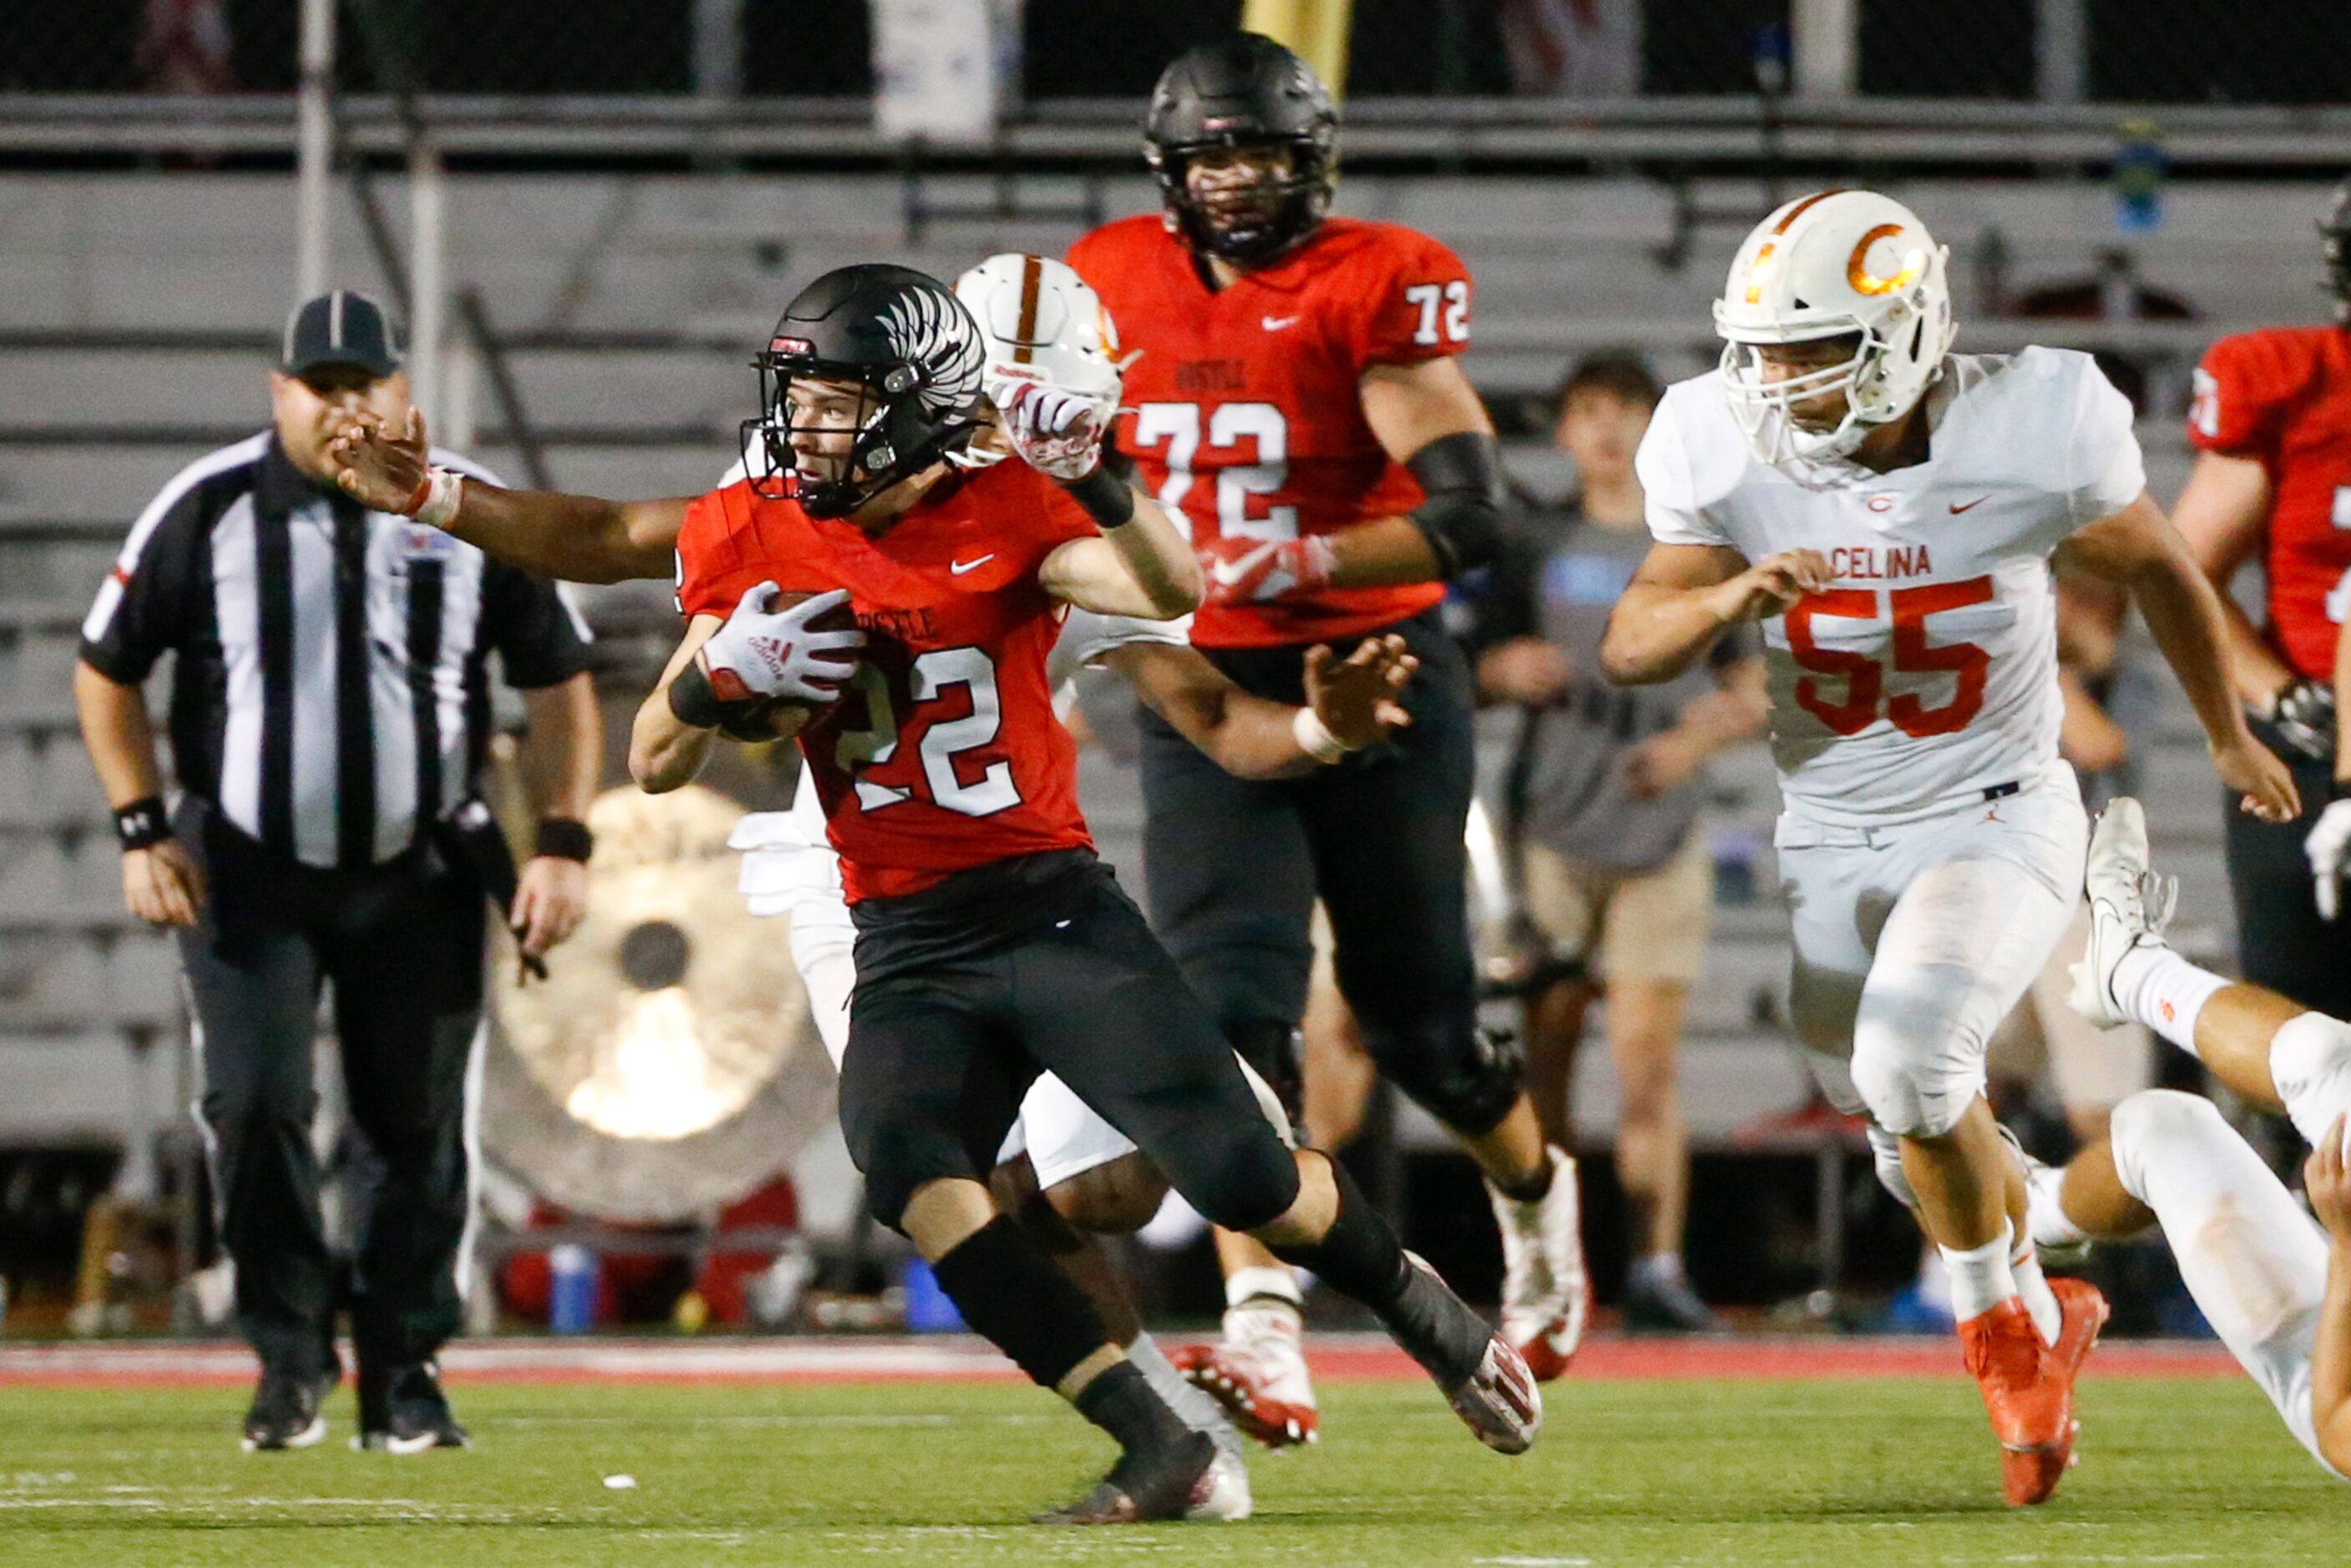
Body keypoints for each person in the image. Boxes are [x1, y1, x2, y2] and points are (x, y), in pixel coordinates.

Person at [327, 262, 1537, 1524]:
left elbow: (1172, 594)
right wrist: (659, 649)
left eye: (836, 401)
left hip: (1048, 907)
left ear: (914, 404)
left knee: (1240, 1177)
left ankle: (1428, 1309)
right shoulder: (762, 521)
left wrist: (1100, 480)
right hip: (900, 928)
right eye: (799, 397)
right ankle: (1158, 1443)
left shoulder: (1019, 502)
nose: (804, 425)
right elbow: (609, 572)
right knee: (912, 1169)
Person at [1598, 188, 2297, 1505]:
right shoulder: (1715, 440)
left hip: (1996, 807)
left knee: (1910, 1055)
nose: (1788, 382)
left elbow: (2156, 564)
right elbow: (1628, 640)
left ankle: (2006, 1338)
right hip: (1829, 840)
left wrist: (2224, 734)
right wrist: (1727, 598)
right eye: (1771, 352)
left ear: (1912, 331)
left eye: (1820, 349)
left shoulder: (2031, 423)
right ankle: (2058, 1265)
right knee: (1930, 1141)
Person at [1067, 33, 1589, 1428]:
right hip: (1209, 685)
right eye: (1214, 156)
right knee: (1231, 1013)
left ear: (1315, 164)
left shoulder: (1375, 277)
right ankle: (1263, 1321)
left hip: (1377, 665)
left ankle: (1538, 1201)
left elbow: (1471, 507)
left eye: (1263, 154)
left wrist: (1296, 561)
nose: (1238, 181)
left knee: (1420, 1022)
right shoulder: (1106, 280)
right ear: (1170, 171)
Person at [73, 290, 600, 1454]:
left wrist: (560, 842)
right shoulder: (208, 507)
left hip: (422, 863)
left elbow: (557, 676)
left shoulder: (462, 504)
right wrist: (139, 825)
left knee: (411, 1126)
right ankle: (290, 1354)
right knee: (254, 1106)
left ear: (403, 393)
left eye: (369, 383)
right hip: (249, 871)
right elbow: (107, 666)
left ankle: (404, 1366)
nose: (349, 407)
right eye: (325, 386)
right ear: (282, 395)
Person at [1473, 352, 1766, 1333]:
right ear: (1561, 430)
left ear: (1652, 423)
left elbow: (1752, 684)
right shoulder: (1534, 538)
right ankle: (1547, 1265)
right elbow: (1467, 659)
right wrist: (1497, 668)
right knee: (1544, 1060)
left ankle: (1656, 1264)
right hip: (1549, 826)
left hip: (1657, 833)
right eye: (1586, 411)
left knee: (1647, 1064)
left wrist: (1689, 742)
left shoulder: (1687, 540)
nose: (1603, 430)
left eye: (1623, 411)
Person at [2032, 795, 2351, 1478]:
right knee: (2320, 1062)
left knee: (2163, 1128)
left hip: (2330, 1354)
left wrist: (2349, 1248)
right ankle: (2028, 1215)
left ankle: (2021, 1211)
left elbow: (2339, 1429)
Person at [2171, 178, 2351, 1019]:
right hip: (2310, 745)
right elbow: (2185, 572)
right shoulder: (2294, 380)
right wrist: (2273, 690)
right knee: (2300, 1024)